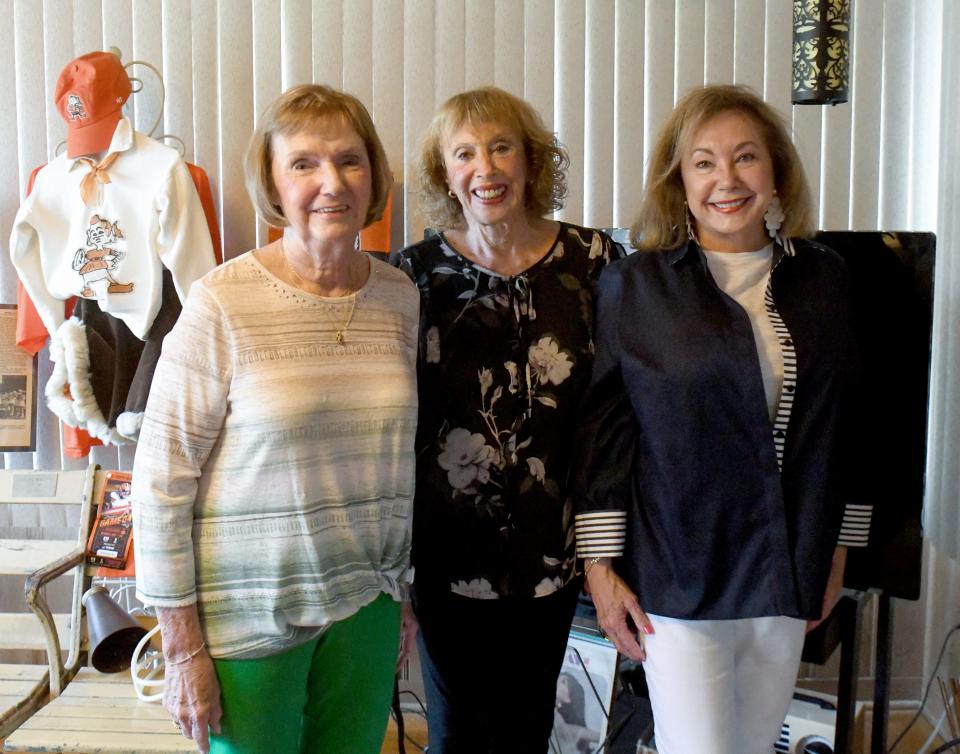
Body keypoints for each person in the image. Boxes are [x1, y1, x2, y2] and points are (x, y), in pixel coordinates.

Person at [574, 84, 870, 754]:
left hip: (789, 563)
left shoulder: (826, 279)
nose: (726, 180)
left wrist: (838, 548)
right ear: (679, 181)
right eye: (704, 162)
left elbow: (849, 427)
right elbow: (603, 437)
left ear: (776, 173)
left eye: (745, 158)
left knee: (755, 744)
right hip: (679, 574)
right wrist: (599, 565)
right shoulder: (637, 286)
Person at [132, 84, 419, 754]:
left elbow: (398, 461)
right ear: (271, 180)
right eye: (304, 164)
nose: (331, 183)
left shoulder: (399, 298)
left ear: (373, 175)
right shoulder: (221, 304)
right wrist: (180, 649)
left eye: (350, 161)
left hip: (366, 608)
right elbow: (160, 483)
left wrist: (400, 597)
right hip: (246, 622)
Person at [393, 86, 622, 753]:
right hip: (446, 553)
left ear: (529, 161)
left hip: (552, 548)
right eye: (464, 153)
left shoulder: (594, 263)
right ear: (445, 174)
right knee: (456, 734)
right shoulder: (415, 275)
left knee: (528, 729)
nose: (485, 168)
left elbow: (614, 412)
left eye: (501, 147)